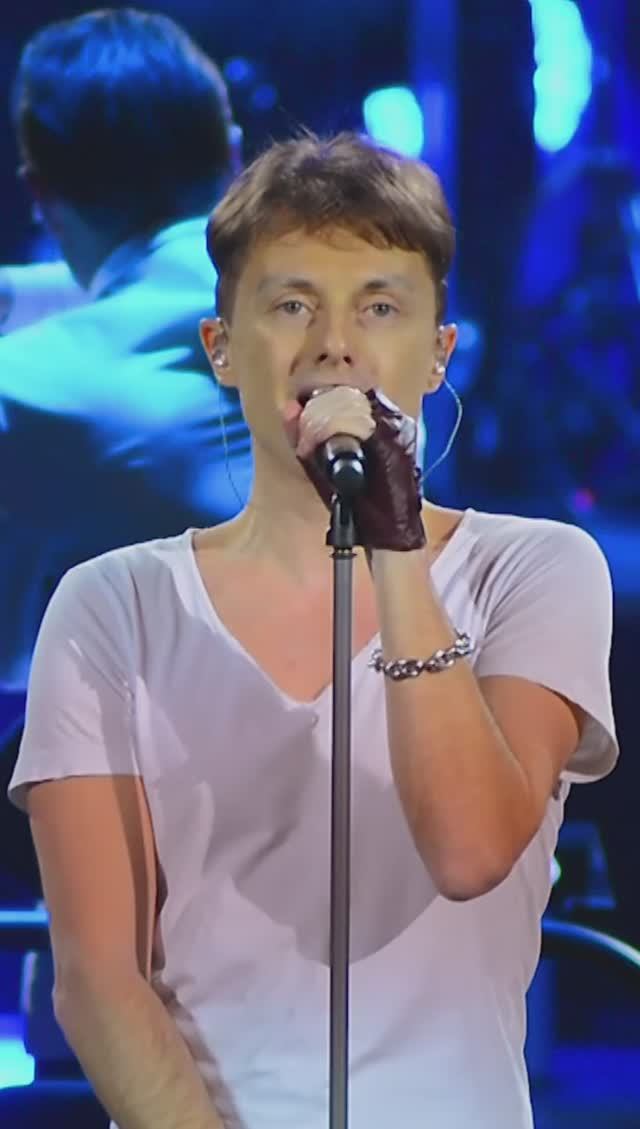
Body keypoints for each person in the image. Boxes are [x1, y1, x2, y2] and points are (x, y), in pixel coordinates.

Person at [9, 132, 618, 1129]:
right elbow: (98, 979)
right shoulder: (111, 605)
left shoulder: (535, 571)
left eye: (379, 307)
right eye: (292, 305)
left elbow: (470, 849)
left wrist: (394, 542)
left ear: (438, 353)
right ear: (220, 347)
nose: (335, 345)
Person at [0, 6, 253, 896]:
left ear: (40, 193)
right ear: (233, 155)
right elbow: (148, 288)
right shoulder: (370, 314)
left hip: (169, 893)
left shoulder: (33, 390)